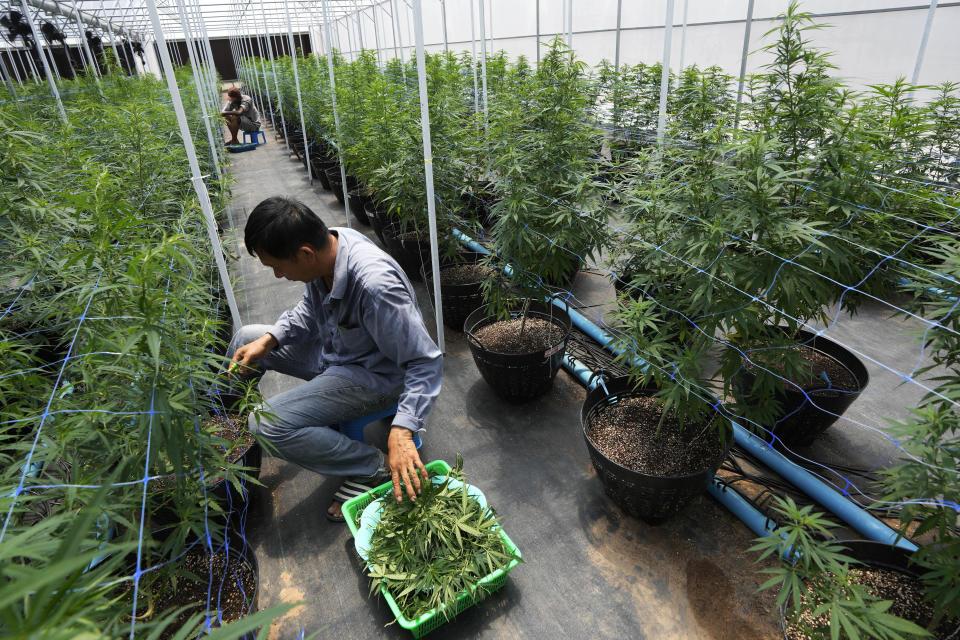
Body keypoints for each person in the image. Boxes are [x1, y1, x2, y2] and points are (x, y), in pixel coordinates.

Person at [227, 196, 442, 522]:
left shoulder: (375, 287)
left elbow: (424, 362)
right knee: (247, 338)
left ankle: (374, 466)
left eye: (278, 267)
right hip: (337, 352)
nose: (277, 276)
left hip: (375, 377)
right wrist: (270, 340)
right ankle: (229, 429)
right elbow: (309, 311)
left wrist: (402, 430)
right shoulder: (328, 246)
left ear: (304, 254)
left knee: (265, 424)